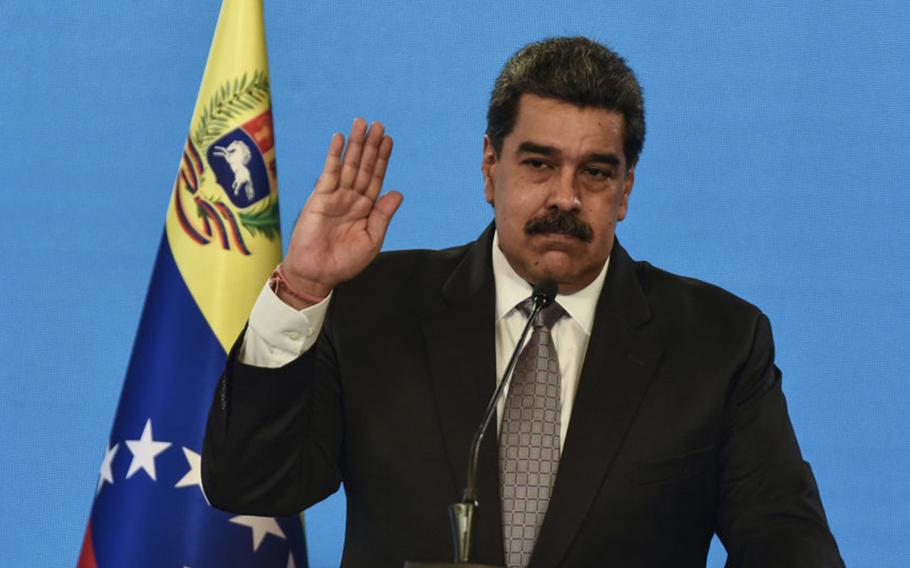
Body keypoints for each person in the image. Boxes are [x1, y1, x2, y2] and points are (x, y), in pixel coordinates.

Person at [202, 37, 844, 567]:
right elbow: (250, 483)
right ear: (490, 167)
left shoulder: (718, 342)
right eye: (539, 164)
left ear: (624, 192)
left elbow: (787, 543)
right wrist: (305, 289)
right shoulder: (376, 306)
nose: (566, 197)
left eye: (595, 172)